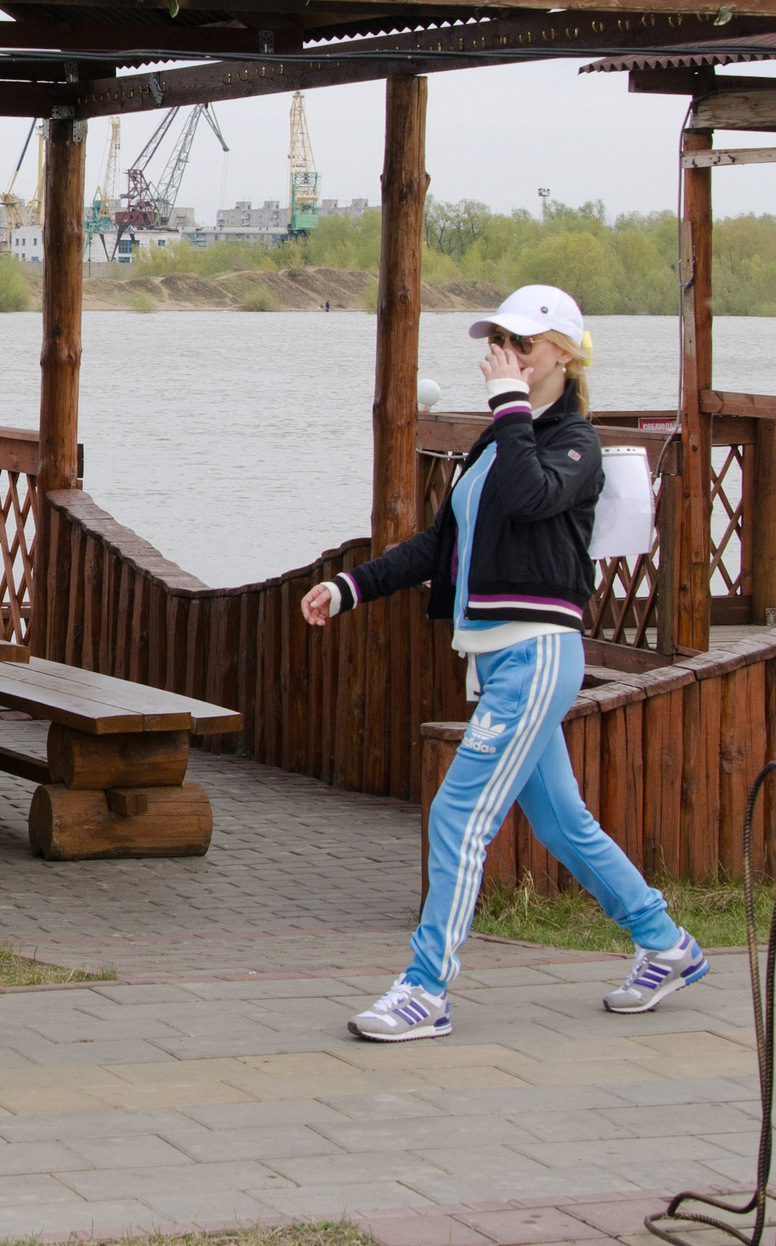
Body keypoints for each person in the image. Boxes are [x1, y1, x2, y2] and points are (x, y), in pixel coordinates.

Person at [301, 284, 706, 1042]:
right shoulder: (498, 440)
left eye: (522, 345)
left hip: (537, 653)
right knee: (562, 820)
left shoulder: (572, 443)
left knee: (459, 814)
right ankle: (666, 943)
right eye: (502, 344)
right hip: (494, 659)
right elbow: (441, 545)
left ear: (563, 354)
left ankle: (425, 990)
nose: (507, 356)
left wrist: (509, 404)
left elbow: (530, 496)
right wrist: (349, 587)